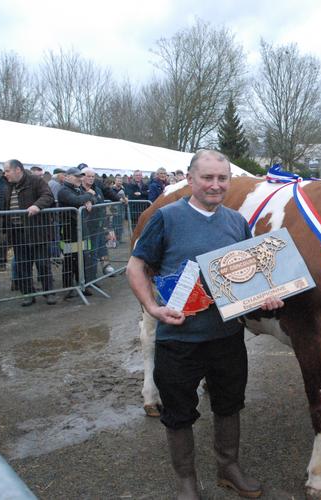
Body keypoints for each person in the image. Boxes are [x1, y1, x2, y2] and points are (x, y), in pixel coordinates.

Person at [127, 150, 283, 499]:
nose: (215, 185)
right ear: (190, 178)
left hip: (226, 336)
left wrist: (267, 295)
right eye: (207, 178)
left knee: (229, 404)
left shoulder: (236, 222)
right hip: (178, 338)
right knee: (179, 413)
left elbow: (250, 278)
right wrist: (152, 307)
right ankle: (186, 481)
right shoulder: (166, 218)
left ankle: (228, 468)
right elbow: (136, 267)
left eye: (222, 178)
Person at [0, 159, 56, 306]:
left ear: (18, 170)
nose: (5, 174)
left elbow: (48, 196)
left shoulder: (35, 181)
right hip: (17, 232)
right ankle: (29, 294)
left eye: (7, 170)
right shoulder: (8, 185)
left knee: (42, 263)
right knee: (23, 264)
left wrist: (37, 206)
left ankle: (49, 293)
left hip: (37, 231)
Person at [56, 168, 95, 299]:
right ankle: (68, 287)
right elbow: (76, 201)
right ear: (67, 177)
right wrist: (89, 195)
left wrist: (89, 199)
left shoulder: (77, 189)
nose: (80, 178)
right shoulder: (63, 191)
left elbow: (91, 199)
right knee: (69, 259)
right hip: (68, 230)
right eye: (76, 176)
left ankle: (81, 284)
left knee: (80, 257)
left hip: (79, 229)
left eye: (80, 176)